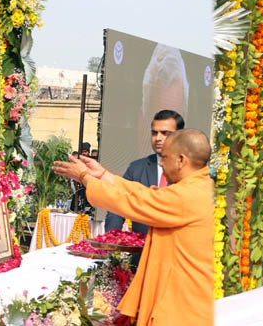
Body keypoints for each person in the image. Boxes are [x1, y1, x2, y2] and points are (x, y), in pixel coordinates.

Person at [52, 129, 214, 326]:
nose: (161, 163)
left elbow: (135, 202)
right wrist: (103, 175)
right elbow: (144, 195)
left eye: (165, 157)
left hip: (180, 308)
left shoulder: (188, 195)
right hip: (180, 300)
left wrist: (85, 177)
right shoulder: (195, 187)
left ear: (181, 160)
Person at [105, 110, 184, 234]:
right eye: (154, 133)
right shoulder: (137, 168)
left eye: (165, 133)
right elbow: (118, 205)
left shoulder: (189, 169)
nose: (158, 138)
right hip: (142, 248)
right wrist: (111, 238)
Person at [137, 45, 188, 159]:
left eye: (170, 131)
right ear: (142, 124)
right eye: (159, 120)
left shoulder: (194, 173)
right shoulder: (133, 172)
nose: (161, 139)